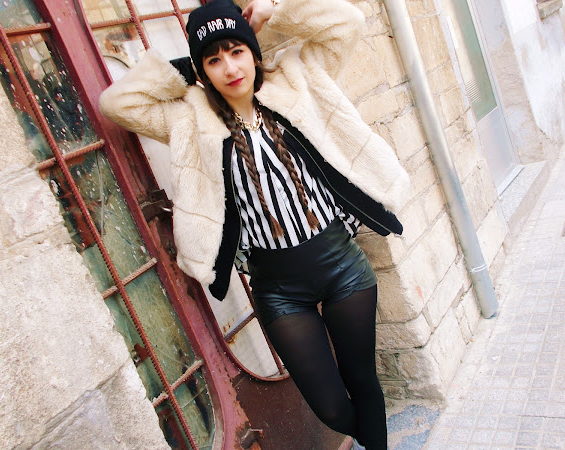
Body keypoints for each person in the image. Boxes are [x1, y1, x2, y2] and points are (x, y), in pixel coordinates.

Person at [99, 0, 410, 448]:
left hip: (342, 265)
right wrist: (192, 66)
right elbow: (117, 102)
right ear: (203, 69)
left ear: (253, 51)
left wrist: (272, 17)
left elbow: (348, 21)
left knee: (363, 381)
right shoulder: (189, 119)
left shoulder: (297, 79)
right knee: (331, 408)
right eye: (214, 60)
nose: (229, 67)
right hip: (279, 289)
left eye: (236, 51)